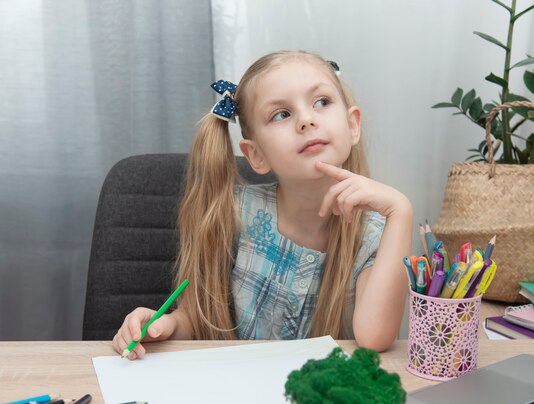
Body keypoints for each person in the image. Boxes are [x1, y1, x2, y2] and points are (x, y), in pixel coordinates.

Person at [113, 50, 413, 359]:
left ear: (353, 125)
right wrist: (167, 325)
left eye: (321, 102)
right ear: (256, 155)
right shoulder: (236, 214)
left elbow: (374, 337)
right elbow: (199, 319)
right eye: (281, 114)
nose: (307, 120)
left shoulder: (372, 235)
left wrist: (400, 211)